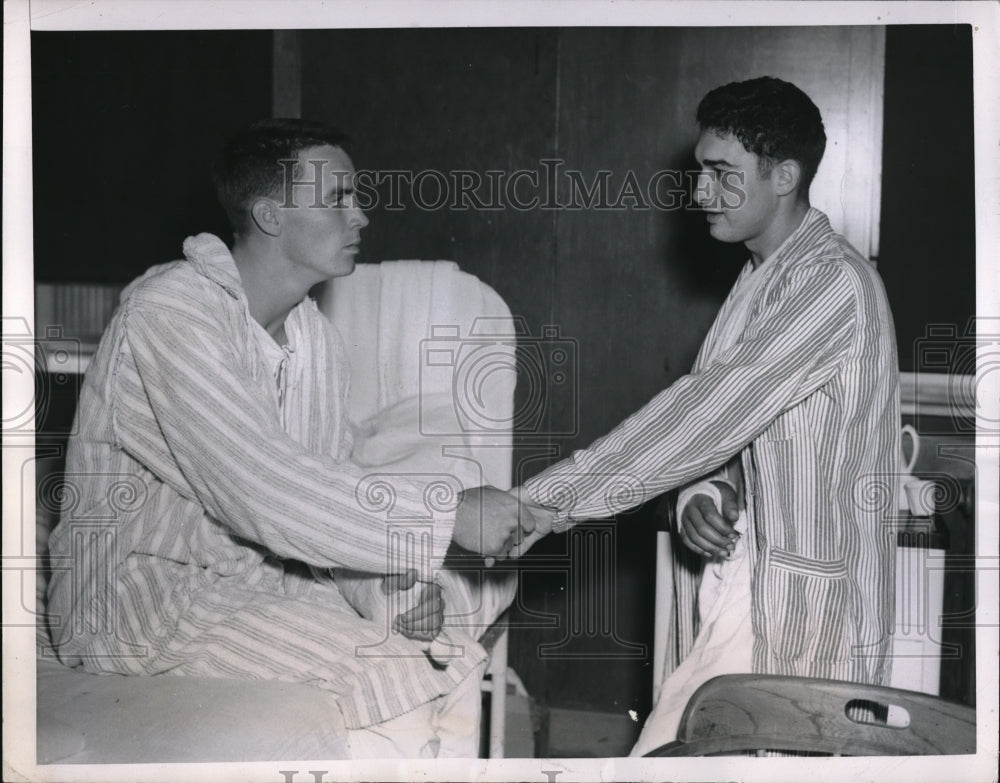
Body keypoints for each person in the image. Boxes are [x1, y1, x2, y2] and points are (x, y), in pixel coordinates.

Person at [45, 118, 542, 758]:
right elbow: (264, 488)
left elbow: (325, 497)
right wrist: (446, 517)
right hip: (131, 600)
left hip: (244, 592)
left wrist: (389, 591)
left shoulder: (316, 343)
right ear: (271, 215)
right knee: (399, 678)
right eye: (338, 198)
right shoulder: (168, 314)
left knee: (443, 653)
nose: (360, 216)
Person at [515, 76, 900, 754]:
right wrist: (704, 492)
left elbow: (708, 410)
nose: (699, 193)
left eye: (722, 174)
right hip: (744, 583)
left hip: (799, 608)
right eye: (700, 172)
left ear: (784, 175)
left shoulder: (829, 281)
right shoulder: (763, 276)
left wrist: (539, 505)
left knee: (678, 752)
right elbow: (743, 438)